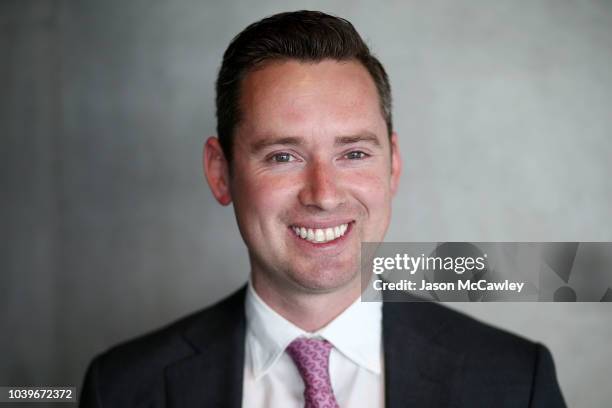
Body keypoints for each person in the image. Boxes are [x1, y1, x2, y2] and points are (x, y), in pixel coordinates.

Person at [80, 10, 566, 407]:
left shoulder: (514, 381)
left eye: (353, 153)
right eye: (283, 156)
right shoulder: (120, 389)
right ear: (220, 172)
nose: (324, 193)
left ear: (393, 164)